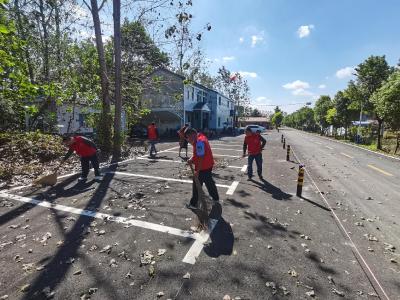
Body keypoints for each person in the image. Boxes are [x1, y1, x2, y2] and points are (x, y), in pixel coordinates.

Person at [185, 127, 219, 209]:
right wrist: (192, 159)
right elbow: (198, 154)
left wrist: (198, 171)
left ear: (192, 134)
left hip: (203, 167)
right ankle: (215, 198)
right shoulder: (200, 137)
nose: (188, 139)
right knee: (209, 182)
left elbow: (200, 157)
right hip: (207, 165)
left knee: (197, 184)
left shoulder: (199, 142)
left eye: (188, 137)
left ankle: (193, 204)